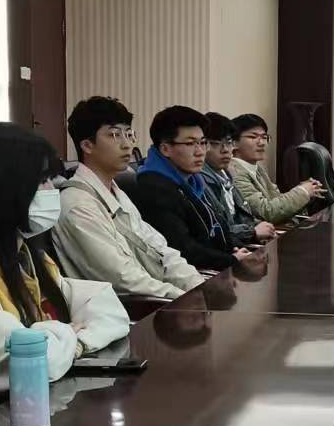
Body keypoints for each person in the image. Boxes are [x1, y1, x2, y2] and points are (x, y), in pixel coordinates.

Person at [0, 122, 129, 392]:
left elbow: (107, 306)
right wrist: (69, 331)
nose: (52, 190)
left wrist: (73, 343)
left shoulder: (25, 256)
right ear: (0, 190)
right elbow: (37, 359)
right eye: (42, 181)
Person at [56, 96, 205, 302]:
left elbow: (161, 251)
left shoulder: (117, 192)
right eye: (115, 135)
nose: (127, 144)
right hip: (131, 310)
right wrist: (186, 297)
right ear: (87, 145)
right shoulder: (77, 205)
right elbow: (124, 279)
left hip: (161, 298)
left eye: (129, 134)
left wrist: (199, 287)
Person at [129, 106, 258, 272]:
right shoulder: (155, 188)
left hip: (216, 264)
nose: (200, 152)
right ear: (165, 148)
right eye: (190, 143)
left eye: (203, 143)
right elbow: (183, 249)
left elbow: (217, 227)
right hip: (193, 276)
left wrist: (235, 249)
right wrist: (230, 260)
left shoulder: (193, 179)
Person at [228, 113, 323, 225]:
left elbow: (276, 201)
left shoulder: (258, 168)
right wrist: (303, 191)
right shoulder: (234, 172)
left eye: (264, 137)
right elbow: (266, 212)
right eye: (253, 137)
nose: (261, 143)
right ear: (234, 143)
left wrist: (309, 191)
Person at [202, 111, 276, 250]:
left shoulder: (226, 174)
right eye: (216, 144)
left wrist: (259, 227)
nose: (225, 150)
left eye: (228, 143)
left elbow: (243, 216)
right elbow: (215, 231)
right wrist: (252, 232)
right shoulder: (200, 180)